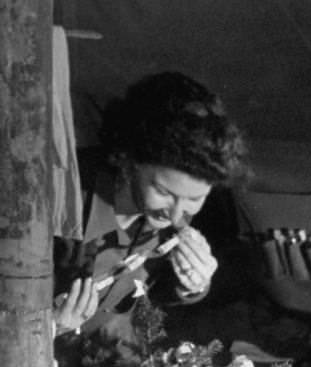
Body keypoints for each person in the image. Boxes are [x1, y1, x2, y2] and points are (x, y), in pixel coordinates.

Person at [53, 71, 248, 342]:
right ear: (128, 160)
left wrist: (191, 284)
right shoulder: (59, 199)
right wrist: (50, 326)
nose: (177, 215)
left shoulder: (167, 216)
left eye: (194, 199)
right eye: (163, 192)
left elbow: (150, 287)